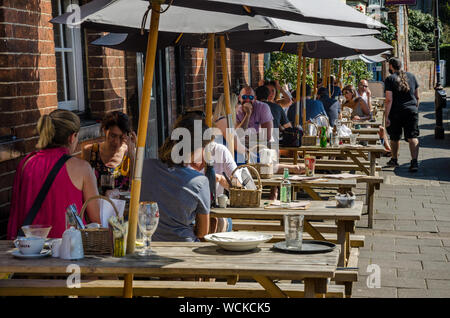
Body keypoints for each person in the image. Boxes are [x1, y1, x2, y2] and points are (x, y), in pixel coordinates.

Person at [7, 110, 100, 239]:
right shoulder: (82, 168)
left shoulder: (26, 163)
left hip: (32, 249)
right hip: (68, 249)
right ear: (72, 137)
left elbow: (16, 215)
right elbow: (96, 220)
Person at [140, 115, 212, 242]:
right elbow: (202, 232)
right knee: (224, 223)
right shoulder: (199, 181)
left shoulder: (144, 167)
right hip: (184, 249)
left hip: (147, 243)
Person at [82, 111, 136, 197]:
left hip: (123, 208)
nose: (116, 142)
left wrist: (133, 157)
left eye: (121, 137)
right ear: (104, 130)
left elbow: (135, 187)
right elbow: (83, 185)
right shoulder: (91, 151)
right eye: (113, 136)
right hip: (97, 207)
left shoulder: (129, 153)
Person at [384, 57, 420, 172]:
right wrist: (414, 108)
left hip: (396, 112)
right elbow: (417, 96)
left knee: (394, 137)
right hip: (411, 111)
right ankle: (414, 162)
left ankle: (394, 160)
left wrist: (387, 116)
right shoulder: (412, 76)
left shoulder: (390, 79)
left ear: (391, 66)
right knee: (412, 137)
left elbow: (389, 100)